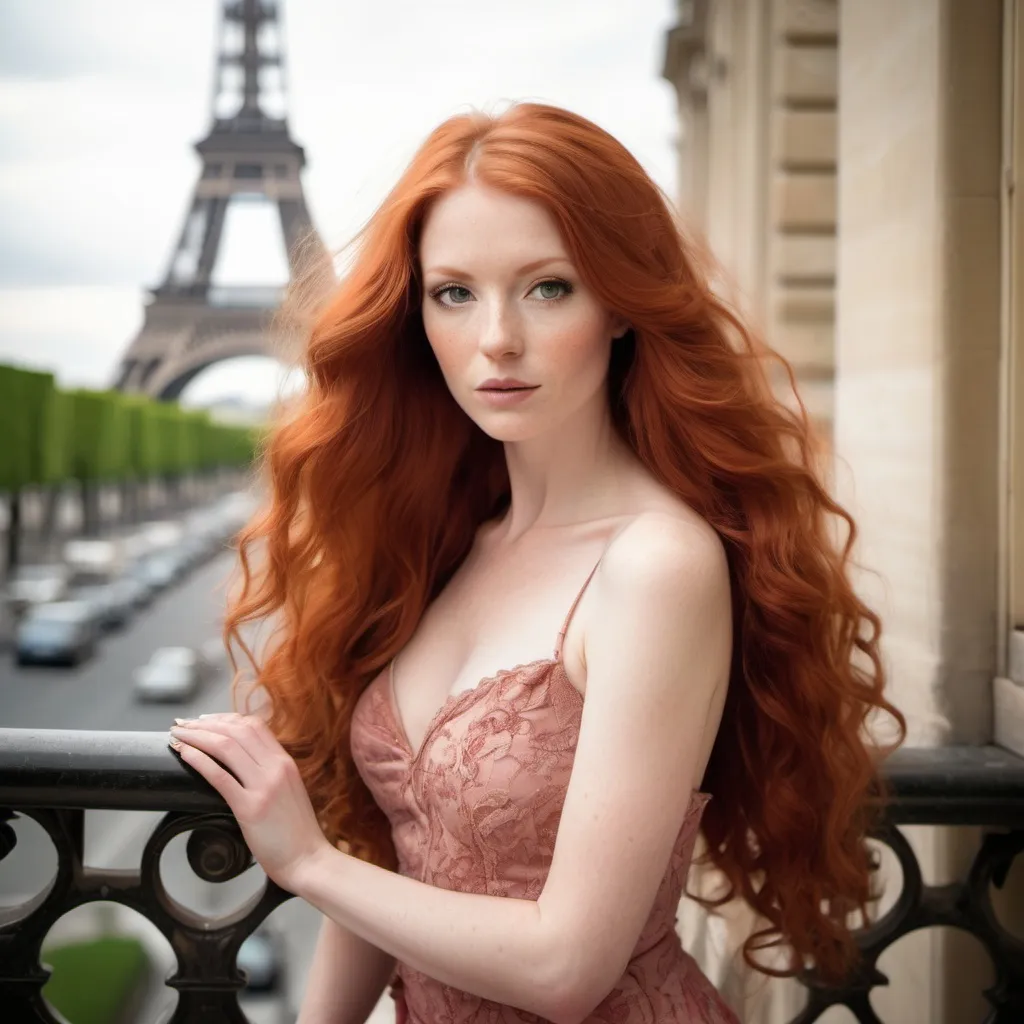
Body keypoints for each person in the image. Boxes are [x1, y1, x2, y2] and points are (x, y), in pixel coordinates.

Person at [167, 102, 906, 1023]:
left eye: (548, 287)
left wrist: (308, 862)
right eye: (454, 293)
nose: (497, 340)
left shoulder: (655, 566)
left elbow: (567, 967)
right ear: (417, 315)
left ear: (621, 307)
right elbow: (403, 852)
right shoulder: (449, 542)